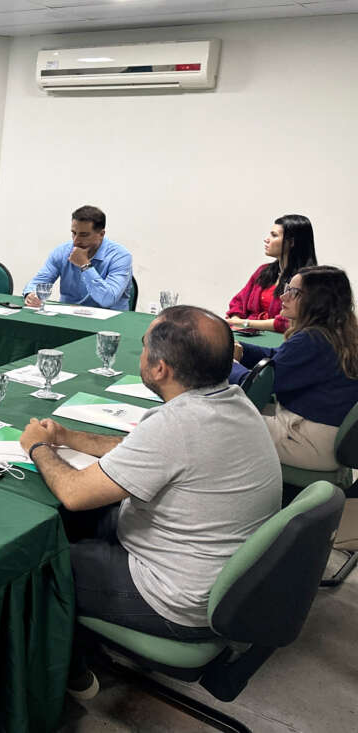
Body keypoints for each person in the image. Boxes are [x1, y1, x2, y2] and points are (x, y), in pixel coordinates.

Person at [19, 305, 281, 696]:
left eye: (144, 347)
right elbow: (139, 449)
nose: (140, 353)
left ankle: (65, 675)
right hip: (221, 582)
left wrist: (38, 447)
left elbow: (74, 495)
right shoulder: (233, 400)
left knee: (33, 566)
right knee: (84, 524)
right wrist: (68, 437)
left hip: (175, 601)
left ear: (161, 369)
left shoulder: (177, 425)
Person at [230, 265, 358, 471]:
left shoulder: (313, 340)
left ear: (318, 301)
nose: (283, 296)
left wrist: (229, 363)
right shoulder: (333, 333)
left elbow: (257, 386)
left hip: (308, 442)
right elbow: (276, 359)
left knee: (217, 420)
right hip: (322, 434)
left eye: (294, 292)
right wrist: (233, 346)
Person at [23, 205, 133, 311]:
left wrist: (85, 265)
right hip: (68, 319)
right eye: (74, 233)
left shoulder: (121, 256)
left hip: (110, 323)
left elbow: (107, 299)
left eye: (84, 235)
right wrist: (31, 294)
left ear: (101, 234)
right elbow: (38, 282)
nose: (76, 241)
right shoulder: (62, 251)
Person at [225, 214, 317, 333]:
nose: (266, 239)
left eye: (274, 235)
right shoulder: (263, 271)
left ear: (291, 242)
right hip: (249, 333)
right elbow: (238, 303)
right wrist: (235, 320)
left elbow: (287, 322)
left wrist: (243, 323)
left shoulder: (307, 280)